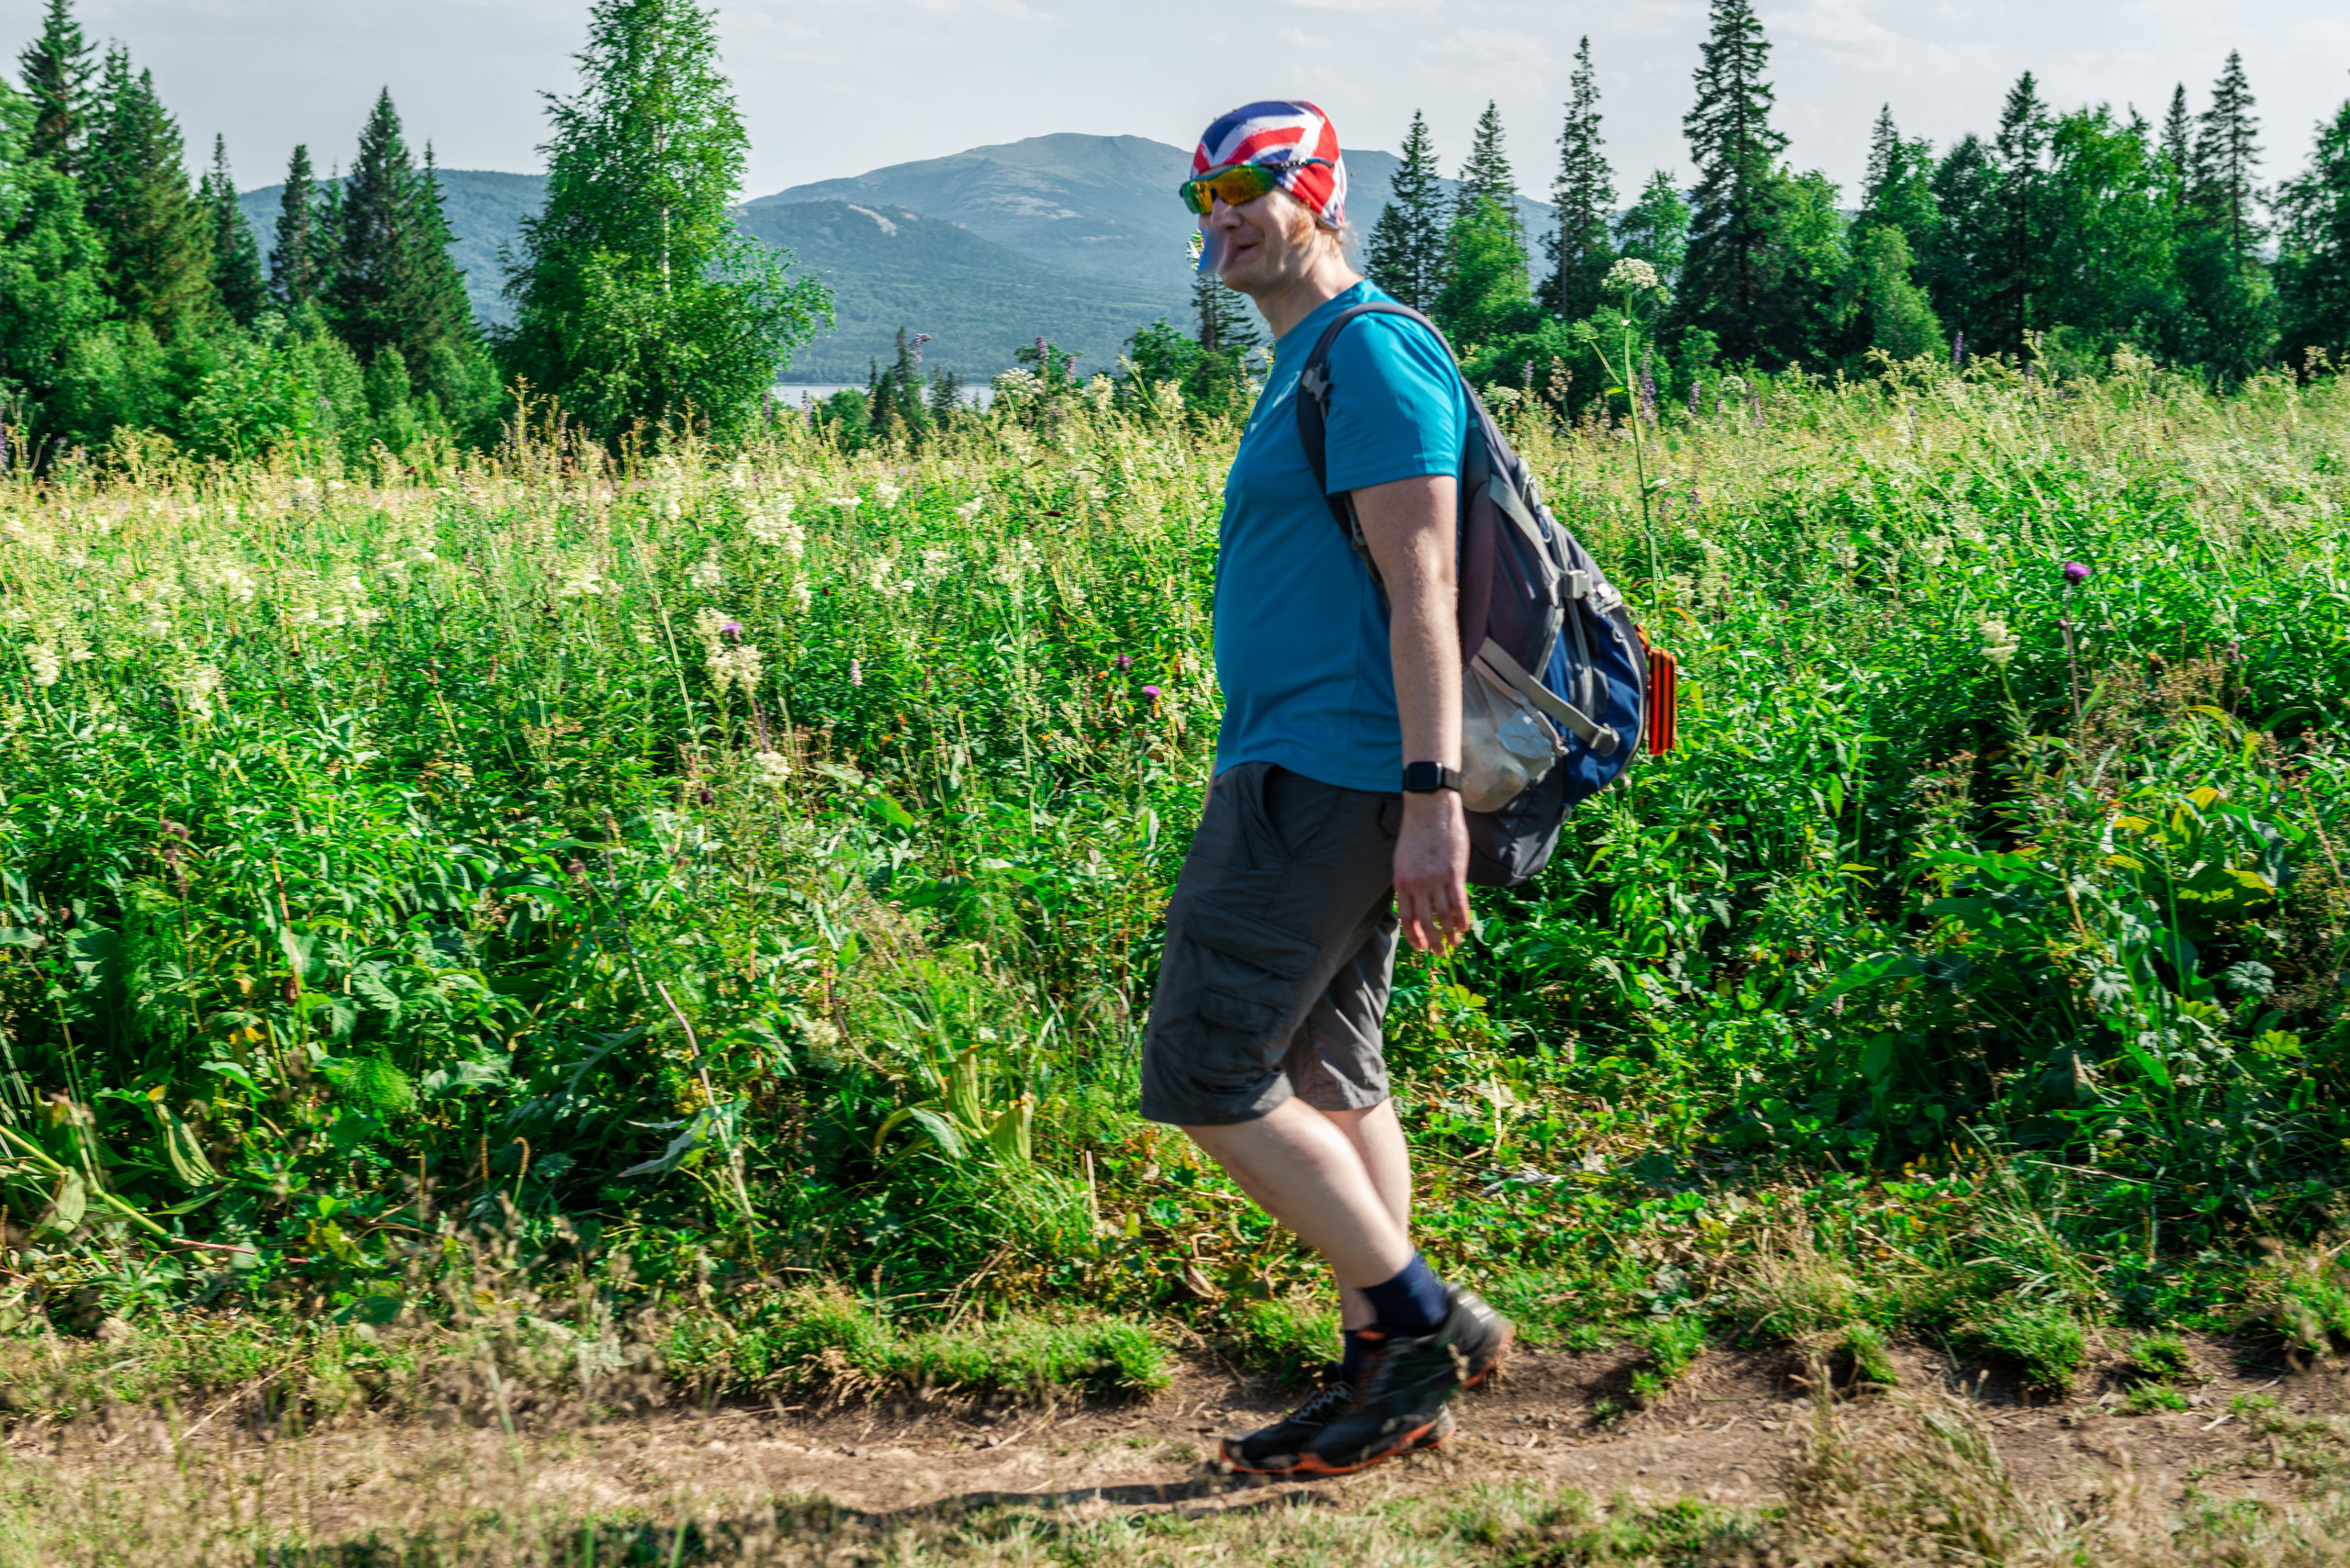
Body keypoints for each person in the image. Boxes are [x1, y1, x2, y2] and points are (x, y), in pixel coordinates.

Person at [1142, 100, 1513, 1478]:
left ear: (1322, 198)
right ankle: (1384, 1376)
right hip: (1321, 763)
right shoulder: (1312, 360)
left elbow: (1422, 588)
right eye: (1205, 198)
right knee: (1327, 1066)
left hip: (1336, 773)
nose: (1223, 216)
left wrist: (1433, 800)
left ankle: (1419, 1322)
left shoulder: (1370, 357)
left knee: (1205, 1067)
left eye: (1250, 188)